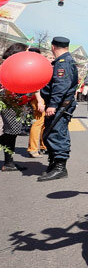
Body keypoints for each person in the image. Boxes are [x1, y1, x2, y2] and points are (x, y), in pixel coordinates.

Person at [38, 37, 78, 182]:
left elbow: (60, 86)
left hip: (60, 105)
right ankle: (54, 164)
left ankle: (60, 168)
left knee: (57, 134)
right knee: (50, 133)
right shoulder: (65, 61)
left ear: (53, 47)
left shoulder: (63, 62)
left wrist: (53, 105)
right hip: (59, 104)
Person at [0, 43, 31, 172]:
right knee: (11, 131)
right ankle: (8, 162)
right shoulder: (7, 65)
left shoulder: (13, 65)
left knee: (11, 132)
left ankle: (9, 162)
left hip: (14, 101)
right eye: (27, 51)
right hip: (8, 101)